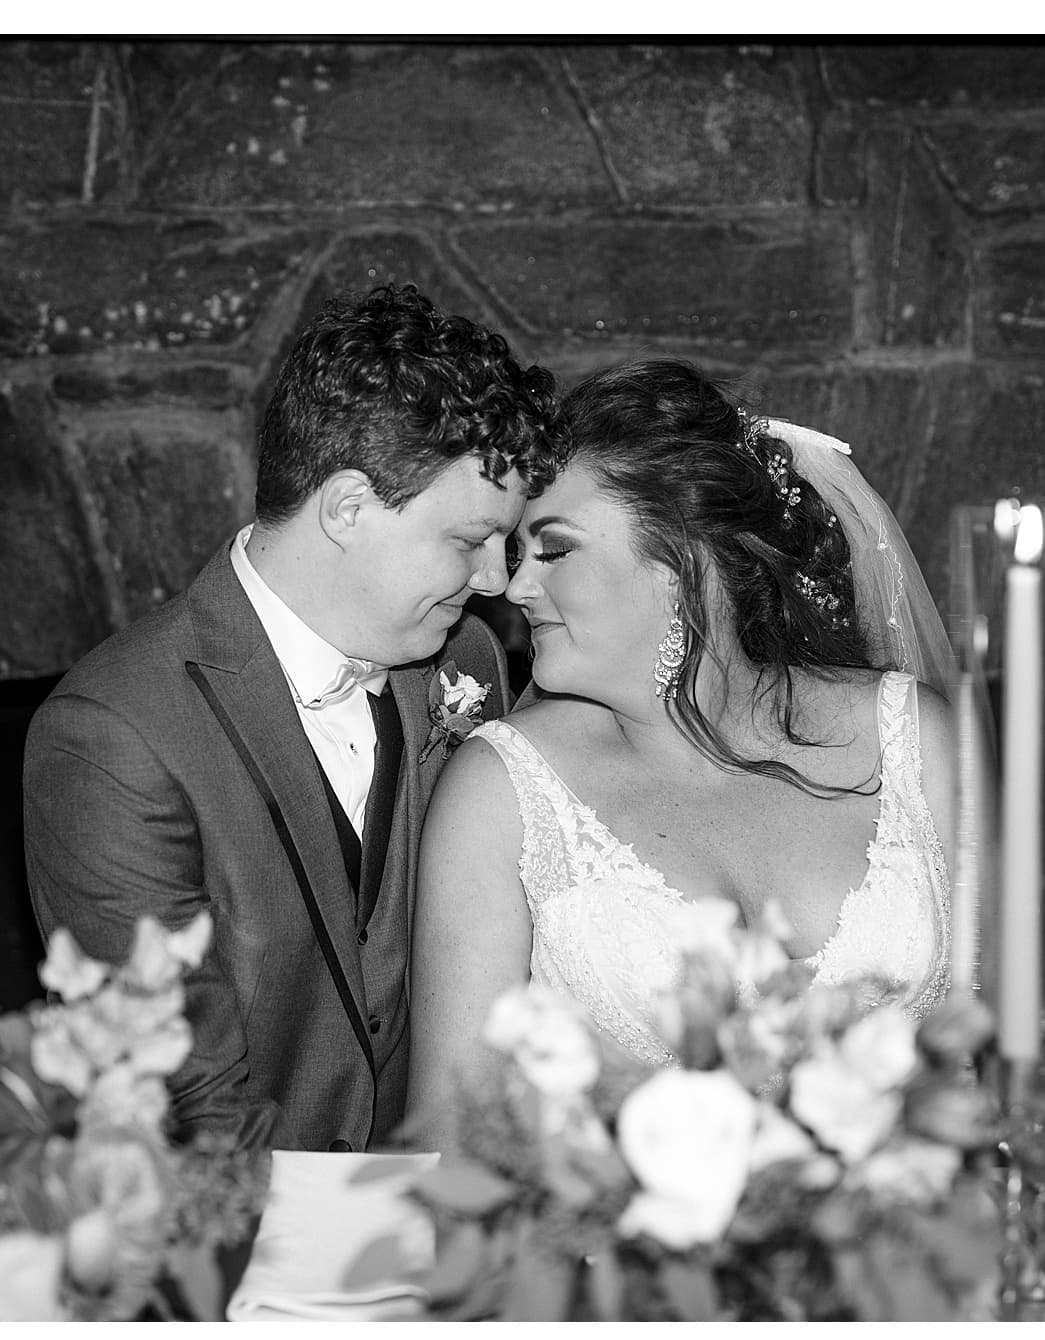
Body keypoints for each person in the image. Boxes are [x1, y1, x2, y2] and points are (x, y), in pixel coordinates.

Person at [23, 283, 560, 1153]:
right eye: (468, 541)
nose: (497, 582)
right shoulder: (113, 735)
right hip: (237, 1243)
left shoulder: (466, 666)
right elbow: (182, 1103)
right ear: (347, 508)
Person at [407, 357, 959, 1138]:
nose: (512, 587)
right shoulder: (501, 794)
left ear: (678, 562)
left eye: (553, 550)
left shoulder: (915, 740)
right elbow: (450, 1131)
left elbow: (1001, 1052)